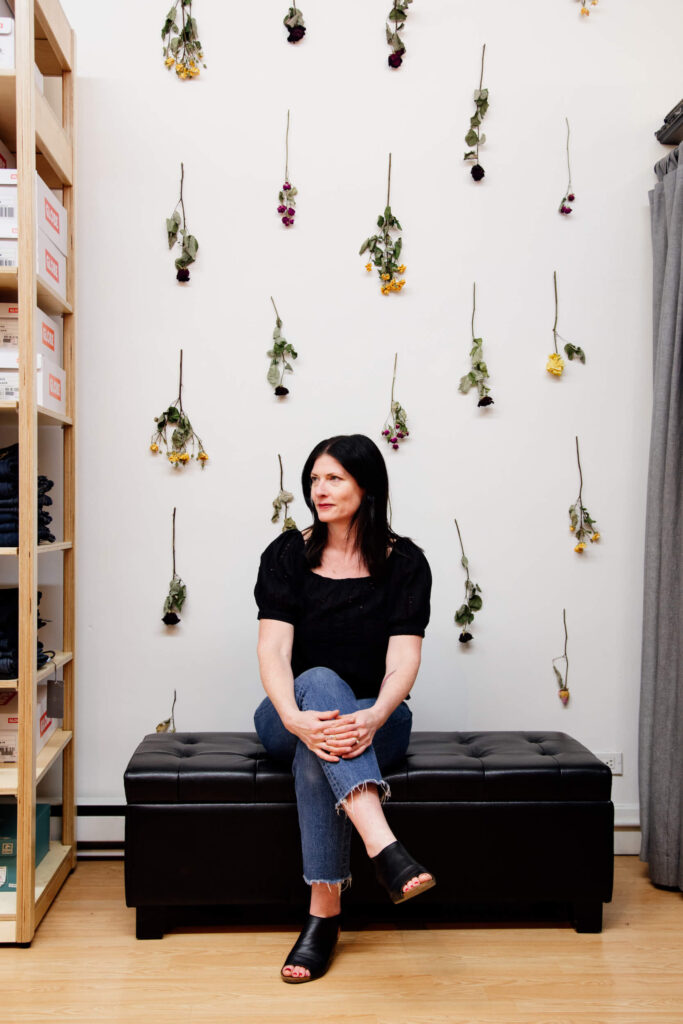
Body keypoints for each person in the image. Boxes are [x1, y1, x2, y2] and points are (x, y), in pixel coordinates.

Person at [254, 433, 435, 983]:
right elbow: (274, 649)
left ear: (367, 484)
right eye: (314, 479)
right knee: (320, 684)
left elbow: (403, 659)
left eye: (334, 478)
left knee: (320, 752)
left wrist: (377, 714)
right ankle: (386, 848)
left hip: (378, 721)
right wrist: (291, 716)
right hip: (290, 713)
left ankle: (323, 920)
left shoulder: (405, 563)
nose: (319, 490)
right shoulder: (287, 553)